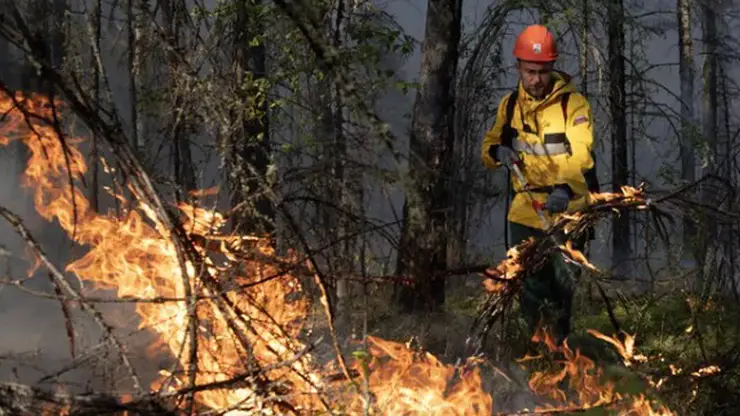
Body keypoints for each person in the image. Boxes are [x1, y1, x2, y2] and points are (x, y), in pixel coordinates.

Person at [481, 24, 597, 345]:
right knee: (530, 288)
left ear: (553, 68)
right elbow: (489, 147)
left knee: (562, 288)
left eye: (543, 71)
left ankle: (560, 353)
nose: (536, 79)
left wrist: (564, 188)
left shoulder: (573, 105)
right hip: (523, 213)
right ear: (518, 67)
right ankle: (533, 353)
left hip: (567, 212)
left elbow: (581, 154)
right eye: (530, 71)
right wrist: (497, 151)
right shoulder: (509, 106)